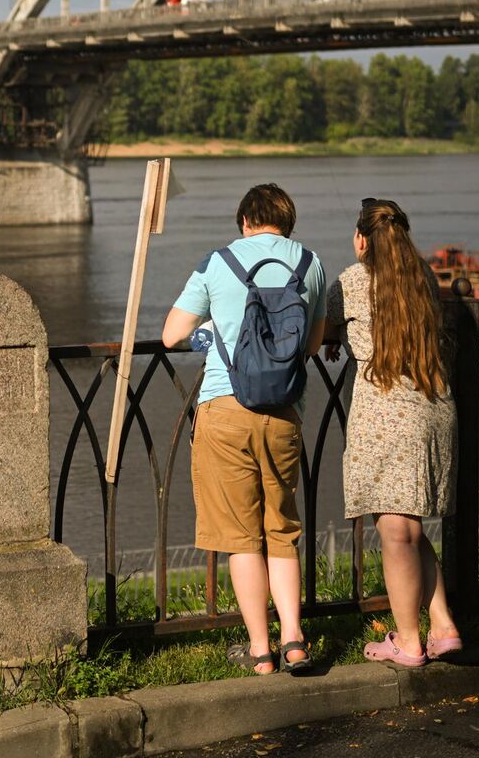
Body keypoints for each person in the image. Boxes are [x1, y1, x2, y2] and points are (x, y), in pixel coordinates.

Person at [162, 184, 326, 675]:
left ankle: (261, 652)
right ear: (287, 221)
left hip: (224, 406)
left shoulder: (219, 261)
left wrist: (210, 332)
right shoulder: (310, 264)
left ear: (246, 221)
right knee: (281, 529)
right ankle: (294, 641)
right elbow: (313, 344)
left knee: (240, 536)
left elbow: (171, 334)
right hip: (283, 412)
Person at [332, 198, 461, 667]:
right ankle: (443, 627)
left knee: (396, 533)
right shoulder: (424, 278)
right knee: (411, 527)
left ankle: (408, 642)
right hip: (434, 409)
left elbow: (323, 330)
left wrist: (335, 339)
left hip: (386, 418)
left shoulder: (350, 280)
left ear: (362, 239)